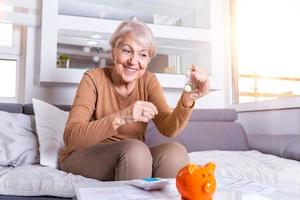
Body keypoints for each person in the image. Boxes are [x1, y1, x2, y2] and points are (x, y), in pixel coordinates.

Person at [59, 19, 209, 181]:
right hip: (85, 155)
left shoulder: (148, 81)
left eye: (142, 55)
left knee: (175, 152)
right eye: (127, 51)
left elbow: (169, 128)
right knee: (136, 150)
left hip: (134, 156)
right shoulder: (93, 79)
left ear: (148, 60)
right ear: (113, 53)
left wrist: (187, 99)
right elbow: (71, 138)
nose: (133, 61)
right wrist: (122, 117)